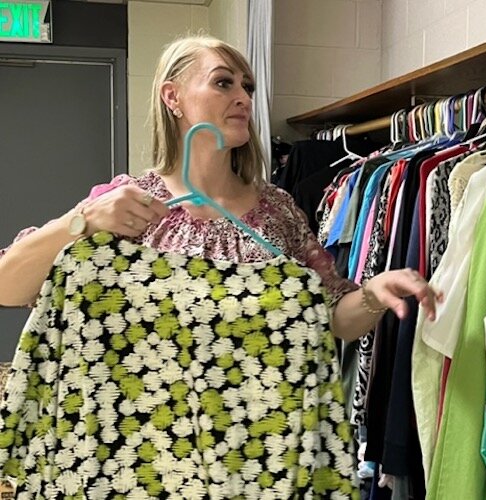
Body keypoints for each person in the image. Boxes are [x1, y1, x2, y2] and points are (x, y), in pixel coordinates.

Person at [0, 34, 440, 341]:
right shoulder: (127, 203)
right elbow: (8, 286)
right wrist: (83, 222)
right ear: (172, 97)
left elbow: (330, 317)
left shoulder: (277, 210)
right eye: (223, 82)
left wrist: (371, 294)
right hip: (155, 457)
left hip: (260, 452)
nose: (245, 98)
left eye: (247, 86)